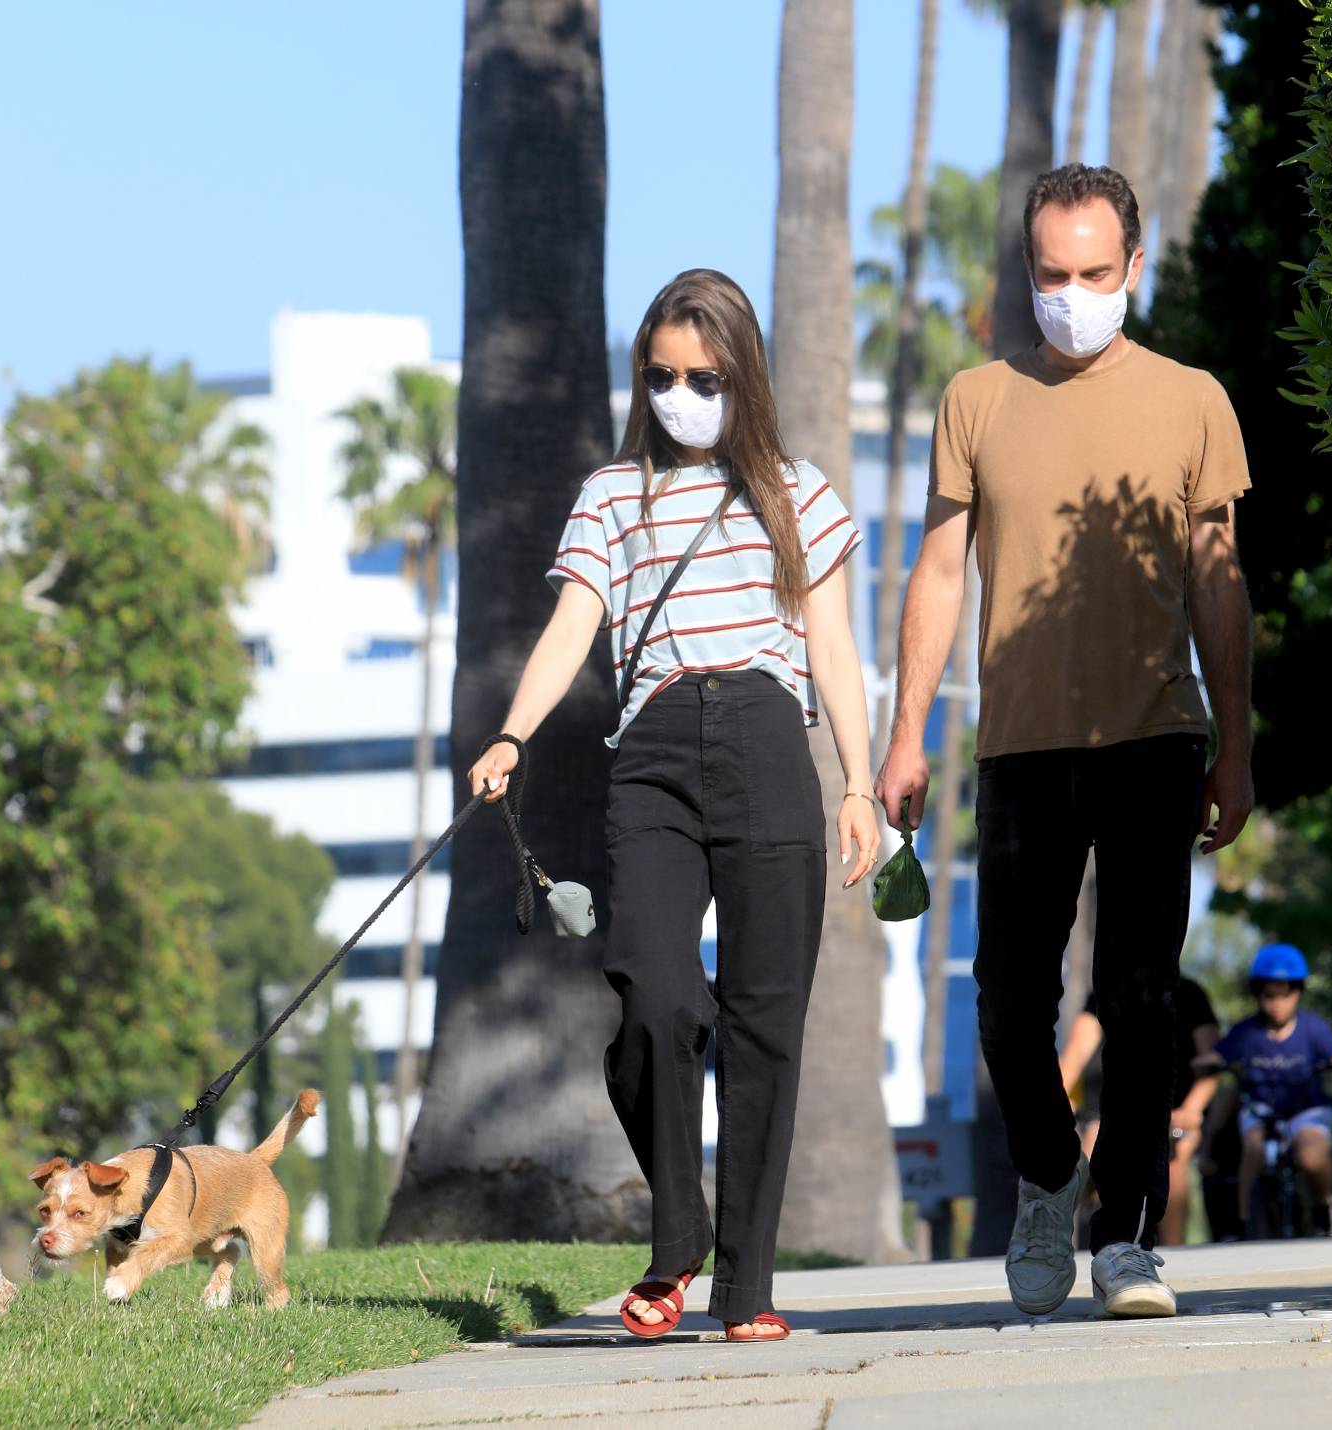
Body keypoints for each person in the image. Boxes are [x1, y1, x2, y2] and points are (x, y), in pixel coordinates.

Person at [468, 269, 878, 1343]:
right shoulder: (611, 494)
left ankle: (741, 1284)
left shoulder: (801, 491)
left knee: (762, 1026)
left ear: (742, 373)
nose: (680, 392)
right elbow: (571, 624)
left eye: (702, 375)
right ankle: (680, 1219)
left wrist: (860, 783)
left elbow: (834, 644)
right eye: (659, 375)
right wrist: (512, 731)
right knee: (651, 991)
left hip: (767, 748)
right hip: (648, 754)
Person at [875, 164, 1254, 1319]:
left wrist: (1234, 743)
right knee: (1002, 999)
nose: (1073, 293)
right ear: (1024, 273)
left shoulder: (1193, 398)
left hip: (1155, 740)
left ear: (1132, 267)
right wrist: (903, 736)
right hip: (1021, 751)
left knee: (1140, 999)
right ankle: (1052, 1173)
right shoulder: (975, 398)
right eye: (1051, 274)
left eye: (1095, 273)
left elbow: (1218, 579)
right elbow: (939, 570)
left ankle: (1126, 1236)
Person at [1059, 976, 1221, 1245]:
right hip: (1108, 1110)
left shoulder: (1189, 993)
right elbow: (1074, 1056)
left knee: (1173, 1158)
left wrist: (1192, 1108)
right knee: (1092, 1156)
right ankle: (1094, 1245)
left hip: (1173, 1112)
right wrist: (1059, 1102)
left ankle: (1174, 1249)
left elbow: (1211, 1064)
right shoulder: (1106, 991)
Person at [1206, 944, 1332, 1236]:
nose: (1277, 1003)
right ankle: (1244, 1224)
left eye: (1285, 995)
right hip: (1261, 1109)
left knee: (1311, 1153)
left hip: (1307, 1108)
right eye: (1269, 996)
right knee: (1252, 1146)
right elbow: (1219, 1055)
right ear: (1258, 995)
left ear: (1298, 993)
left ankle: (1324, 1207)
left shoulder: (1313, 1028)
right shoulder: (1246, 1032)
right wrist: (1205, 1062)